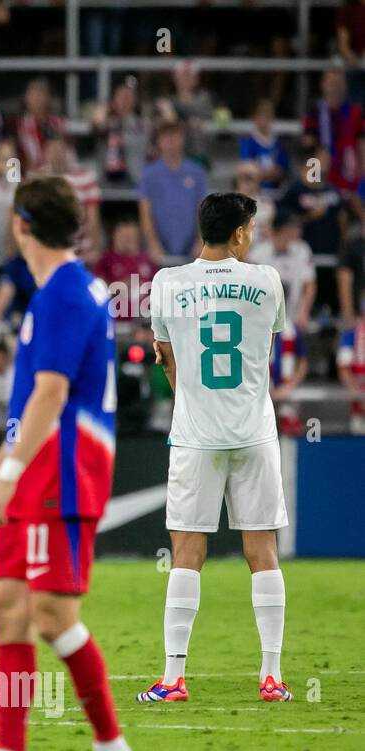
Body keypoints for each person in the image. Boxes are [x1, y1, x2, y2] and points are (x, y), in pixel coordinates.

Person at [0, 175, 129, 751]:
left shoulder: (65, 295)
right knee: (8, 611)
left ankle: (111, 745)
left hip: (62, 475)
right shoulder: (54, 292)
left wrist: (11, 475)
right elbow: (28, 406)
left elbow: (51, 396)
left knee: (51, 616)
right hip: (33, 470)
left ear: (21, 224)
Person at [139, 192, 292, 705]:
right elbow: (265, 346)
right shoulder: (267, 282)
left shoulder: (166, 283)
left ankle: (173, 678)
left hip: (195, 435)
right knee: (262, 552)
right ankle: (271, 677)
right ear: (242, 232)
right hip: (255, 433)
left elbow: (166, 356)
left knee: (186, 553)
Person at [138, 122, 208, 261]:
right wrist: (153, 244)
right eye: (166, 136)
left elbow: (203, 209)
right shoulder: (148, 174)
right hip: (158, 249)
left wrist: (201, 241)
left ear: (182, 139)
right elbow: (145, 212)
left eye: (174, 136)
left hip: (191, 249)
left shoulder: (196, 172)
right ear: (158, 141)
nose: (170, 141)